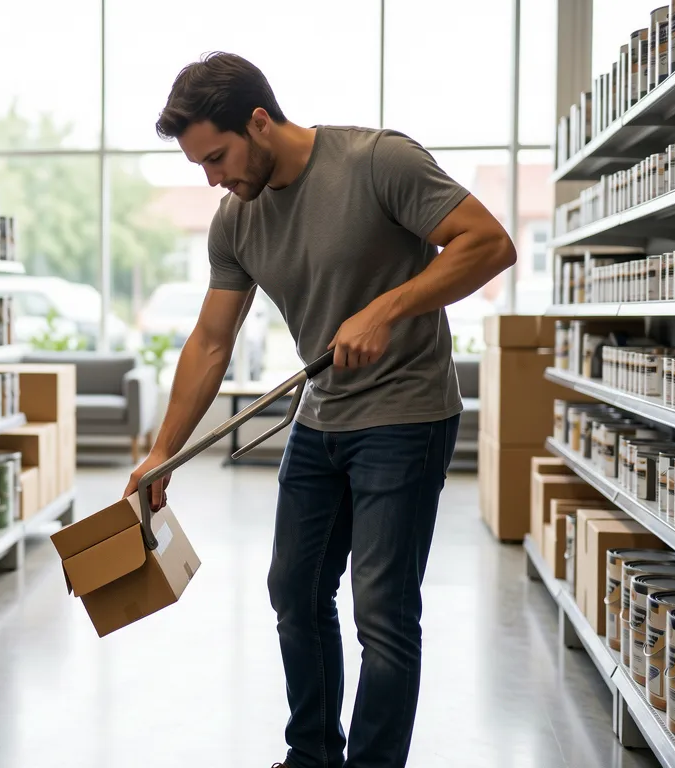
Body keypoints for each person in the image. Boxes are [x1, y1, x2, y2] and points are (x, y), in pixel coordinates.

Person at [123, 52, 516, 768]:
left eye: (217, 157)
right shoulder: (235, 220)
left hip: (406, 413)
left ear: (260, 121)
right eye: (200, 166)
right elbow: (211, 342)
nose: (212, 178)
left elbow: (490, 243)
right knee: (295, 592)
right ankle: (311, 757)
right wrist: (164, 451)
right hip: (323, 415)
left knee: (382, 611)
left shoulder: (378, 161)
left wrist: (388, 308)